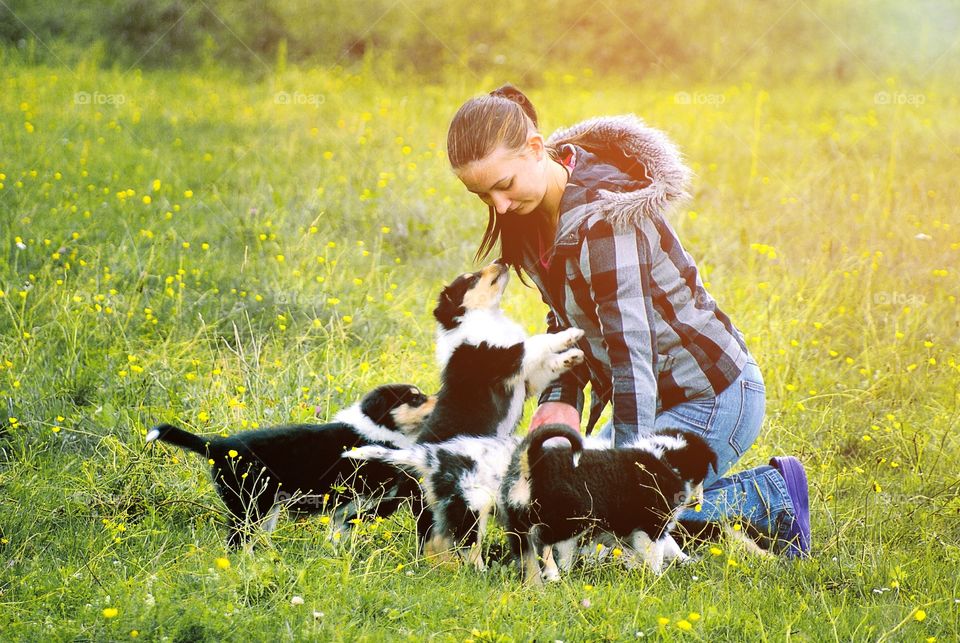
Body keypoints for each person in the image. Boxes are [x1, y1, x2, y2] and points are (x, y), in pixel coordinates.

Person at [445, 83, 810, 558]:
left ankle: (772, 496)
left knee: (614, 513)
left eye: (504, 185)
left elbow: (631, 349)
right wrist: (560, 402)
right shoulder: (531, 214)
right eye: (483, 195)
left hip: (712, 395)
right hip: (651, 400)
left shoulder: (604, 219)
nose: (499, 206)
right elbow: (564, 322)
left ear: (536, 149)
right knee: (551, 504)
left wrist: (623, 476)